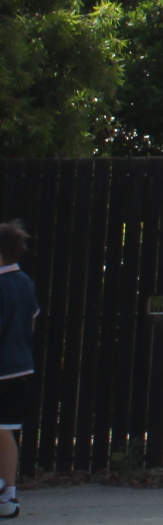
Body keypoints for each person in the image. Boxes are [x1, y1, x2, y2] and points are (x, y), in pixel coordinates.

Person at [0, 217, 32, 519]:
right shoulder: (24, 282)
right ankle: (8, 496)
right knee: (6, 430)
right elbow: (30, 321)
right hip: (20, 366)